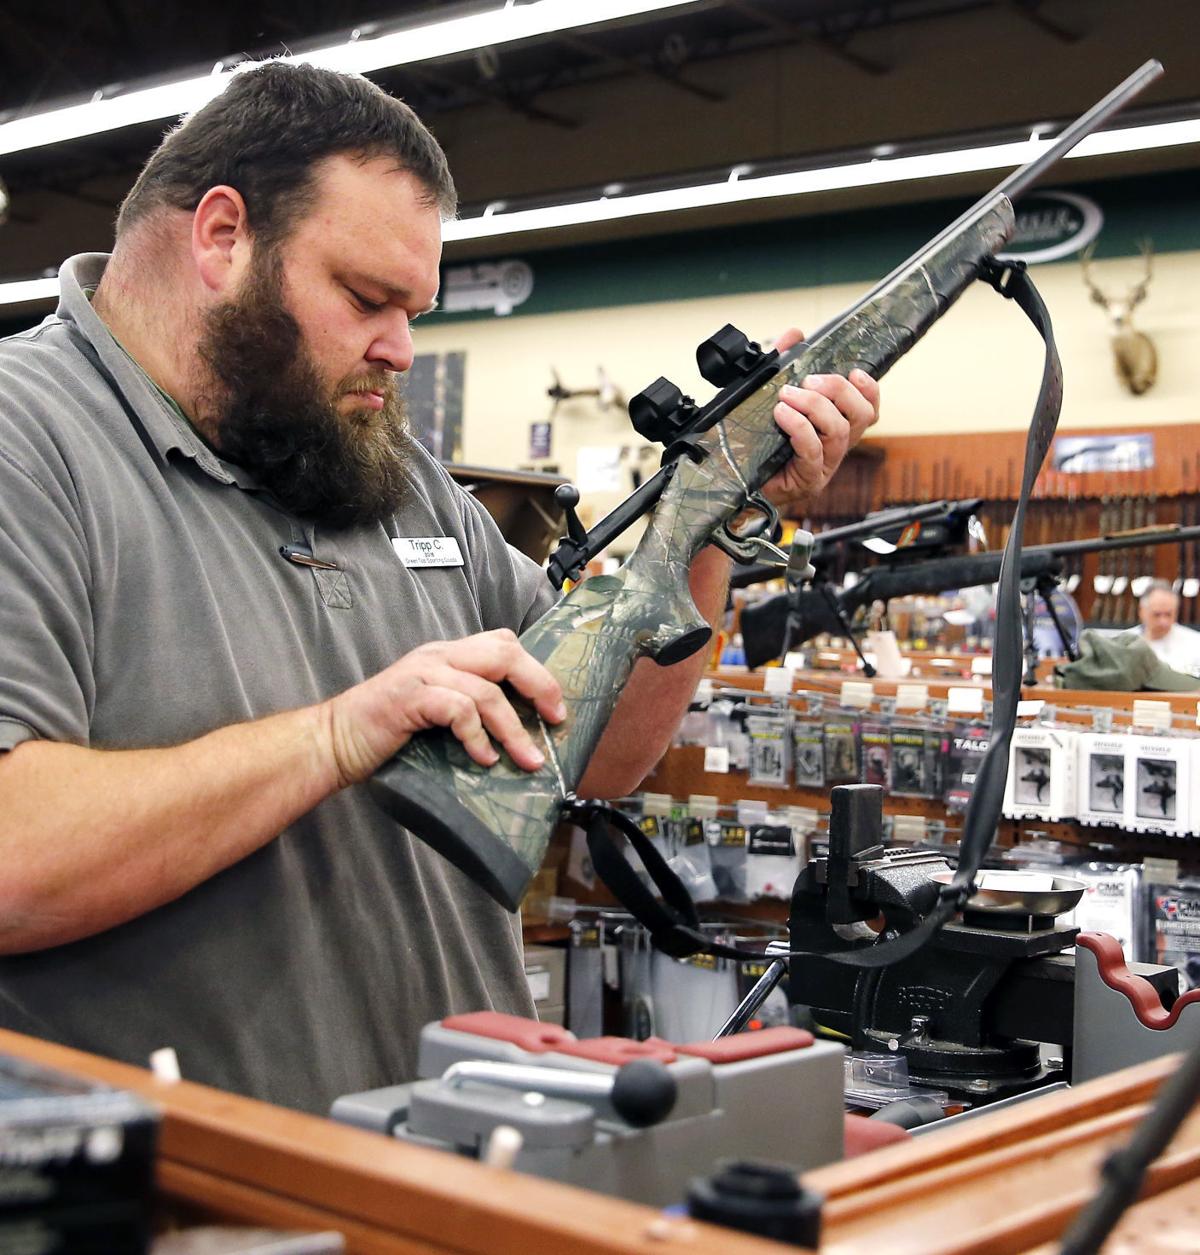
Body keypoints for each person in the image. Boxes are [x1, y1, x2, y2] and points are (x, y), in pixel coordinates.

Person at [0, 61, 879, 1114]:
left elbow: (598, 751)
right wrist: (338, 735)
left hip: (464, 1159)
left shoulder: (384, 465)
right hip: (204, 1200)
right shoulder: (27, 440)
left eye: (413, 308)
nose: (402, 349)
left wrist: (712, 520)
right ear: (222, 237)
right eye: (368, 298)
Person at [1136, 582, 1200, 676]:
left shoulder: (1196, 643)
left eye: (1168, 614)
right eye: (1157, 614)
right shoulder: (1125, 642)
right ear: (1142, 612)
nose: (1163, 622)